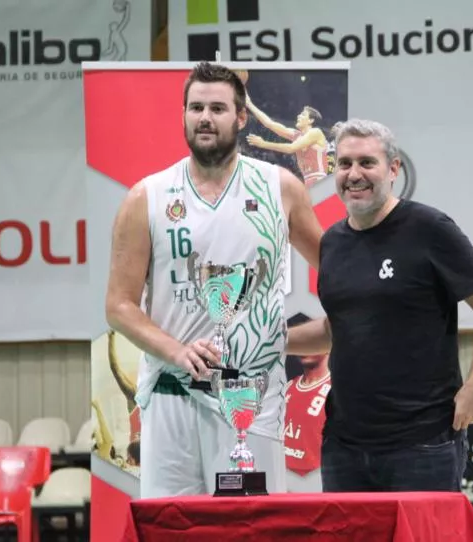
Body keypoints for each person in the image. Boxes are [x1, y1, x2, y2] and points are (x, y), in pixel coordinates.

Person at [105, 61, 323, 498]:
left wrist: (290, 339)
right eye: (196, 107)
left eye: (218, 108)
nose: (205, 117)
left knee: (253, 531)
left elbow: (341, 277)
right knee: (171, 529)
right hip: (171, 394)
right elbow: (119, 305)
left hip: (251, 396)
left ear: (240, 118)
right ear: (184, 114)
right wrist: (178, 350)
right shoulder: (146, 196)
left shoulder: (279, 187)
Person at [286, 118, 473, 493]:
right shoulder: (333, 244)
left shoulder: (429, 229)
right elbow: (334, 329)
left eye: (366, 163)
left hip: (423, 444)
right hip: (345, 446)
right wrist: (271, 340)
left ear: (393, 169)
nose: (354, 174)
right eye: (344, 164)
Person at [245, 97, 331, 186]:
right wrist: (249, 104)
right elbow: (269, 124)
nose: (298, 116)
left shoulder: (315, 132)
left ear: (311, 120)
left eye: (303, 115)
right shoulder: (297, 135)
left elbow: (291, 148)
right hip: (307, 181)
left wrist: (263, 144)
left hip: (320, 180)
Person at [283, 350, 331, 493]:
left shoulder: (339, 390)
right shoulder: (287, 387)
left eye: (312, 343)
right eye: (303, 344)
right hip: (282, 482)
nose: (307, 348)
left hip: (317, 483)